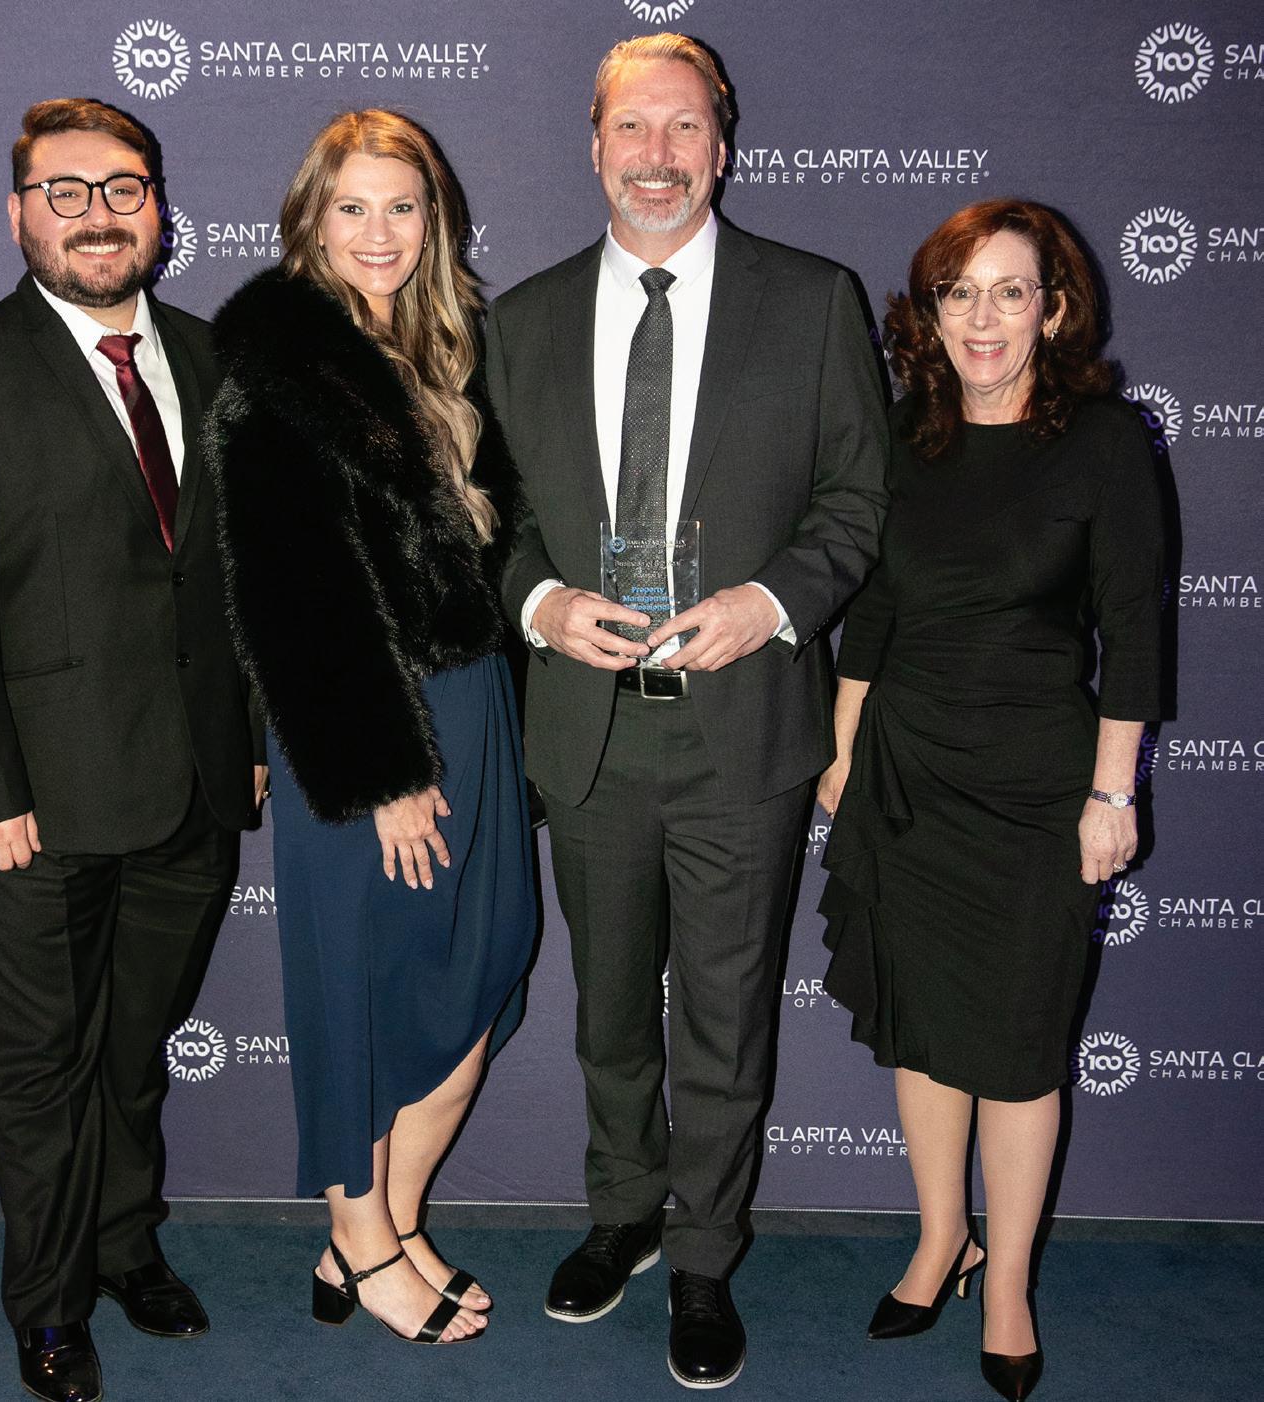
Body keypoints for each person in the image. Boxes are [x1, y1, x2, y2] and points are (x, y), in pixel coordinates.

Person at [485, 33, 888, 1390]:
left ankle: (704, 1252)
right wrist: (539, 602)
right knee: (607, 1004)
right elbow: (489, 520)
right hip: (587, 729)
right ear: (591, 145)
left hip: (742, 729)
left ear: (722, 143)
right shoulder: (522, 321)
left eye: (682, 128)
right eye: (630, 128)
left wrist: (770, 603)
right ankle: (622, 1212)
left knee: (722, 1014)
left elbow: (857, 500)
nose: (655, 156)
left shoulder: (811, 300)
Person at [0, 99, 265, 1402]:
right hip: (28, 804)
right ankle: (47, 1304)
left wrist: (249, 738)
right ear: (18, 213)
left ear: (159, 208)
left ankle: (125, 1243)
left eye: (124, 188)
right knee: (38, 1068)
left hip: (192, 785)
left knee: (132, 1046)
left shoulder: (213, 358)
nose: (99, 213)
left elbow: (242, 576)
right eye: (66, 190)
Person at [817, 198, 1163, 1401]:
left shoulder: (1103, 442)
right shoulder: (907, 434)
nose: (982, 316)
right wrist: (842, 751)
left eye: (1009, 291)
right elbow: (873, 607)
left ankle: (1006, 1280)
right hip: (907, 774)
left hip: (1034, 787)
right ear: (930, 310)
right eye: (958, 290)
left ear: (1052, 311)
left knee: (1017, 1049)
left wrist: (1111, 791)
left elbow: (1134, 630)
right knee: (923, 1031)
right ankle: (937, 1240)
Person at [206, 109, 534, 1348]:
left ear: (433, 219)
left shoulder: (436, 349)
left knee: (477, 974)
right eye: (353, 207)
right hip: (367, 733)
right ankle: (363, 1237)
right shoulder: (282, 371)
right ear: (311, 218)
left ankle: (377, 1229)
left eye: (402, 206)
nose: (380, 231)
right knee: (362, 991)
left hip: (471, 707)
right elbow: (292, 600)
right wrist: (385, 772)